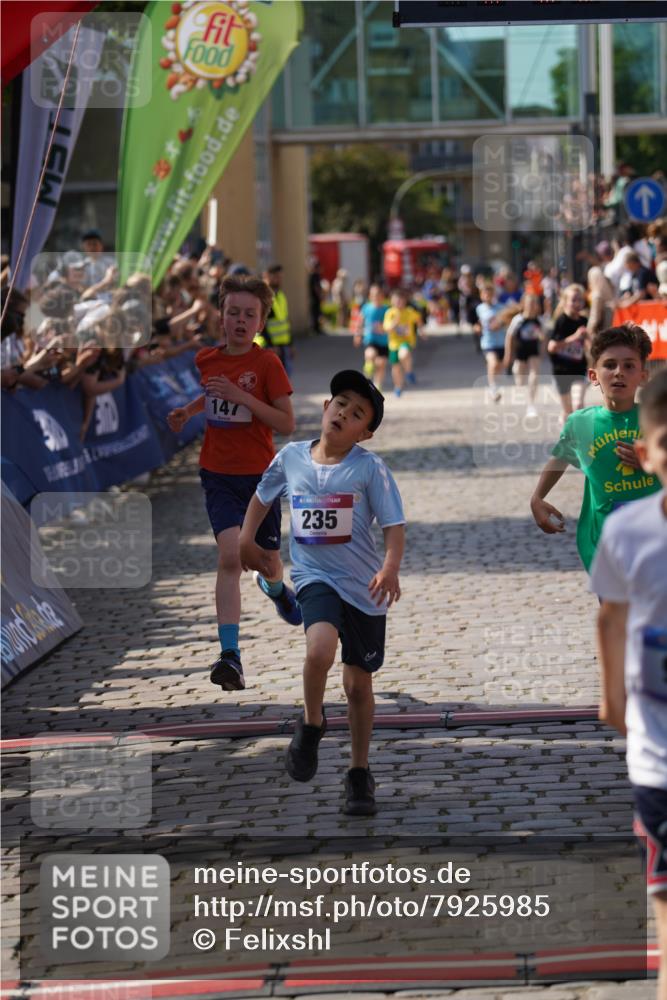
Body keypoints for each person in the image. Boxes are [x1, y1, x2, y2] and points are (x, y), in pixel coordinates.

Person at [239, 370, 405, 816]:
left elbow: (394, 526)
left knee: (357, 685)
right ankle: (311, 723)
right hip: (314, 576)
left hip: (363, 587)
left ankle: (358, 772)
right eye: (339, 404)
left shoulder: (370, 469)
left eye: (356, 414)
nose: (342, 414)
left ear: (365, 433)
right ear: (326, 406)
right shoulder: (292, 457)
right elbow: (262, 496)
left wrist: (389, 568)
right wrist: (246, 537)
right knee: (319, 650)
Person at [166, 274, 301, 692]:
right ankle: (230, 656)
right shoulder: (207, 358)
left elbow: (286, 422)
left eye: (250, 314)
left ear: (260, 322)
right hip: (218, 474)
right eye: (233, 313)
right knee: (229, 557)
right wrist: (189, 412)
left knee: (268, 562)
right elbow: (212, 394)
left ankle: (276, 588)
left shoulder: (267, 364)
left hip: (261, 479)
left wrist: (245, 398)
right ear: (221, 317)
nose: (241, 320)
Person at [589, 368, 667, 1000]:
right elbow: (611, 616)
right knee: (665, 893)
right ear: (646, 454)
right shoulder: (628, 531)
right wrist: (612, 698)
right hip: (657, 753)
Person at [530, 324, 661, 573]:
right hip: (603, 539)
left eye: (629, 366)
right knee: (617, 610)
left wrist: (650, 459)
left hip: (655, 535)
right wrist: (538, 497)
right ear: (593, 376)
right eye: (609, 365)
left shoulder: (656, 418)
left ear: (643, 376)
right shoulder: (581, 423)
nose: (618, 372)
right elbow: (560, 459)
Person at [547, 284, 590, 422]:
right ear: (565, 302)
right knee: (568, 411)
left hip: (578, 369)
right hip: (561, 371)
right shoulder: (561, 321)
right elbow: (552, 347)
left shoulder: (584, 321)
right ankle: (566, 432)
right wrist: (574, 337)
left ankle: (578, 440)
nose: (577, 303)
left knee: (578, 405)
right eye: (573, 300)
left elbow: (589, 345)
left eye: (580, 300)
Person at [503, 292, 545, 417]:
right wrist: (508, 355)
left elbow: (544, 337)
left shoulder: (539, 320)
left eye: (535, 304)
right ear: (524, 305)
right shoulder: (518, 320)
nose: (532, 306)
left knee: (534, 375)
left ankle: (531, 404)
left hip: (533, 351)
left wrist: (543, 350)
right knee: (519, 378)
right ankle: (523, 391)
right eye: (530, 304)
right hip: (520, 351)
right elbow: (509, 337)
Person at [383, 288, 423, 398]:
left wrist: (421, 330)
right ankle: (398, 386)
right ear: (391, 301)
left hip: (406, 341)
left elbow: (418, 318)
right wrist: (394, 323)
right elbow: (386, 329)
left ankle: (409, 372)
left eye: (400, 301)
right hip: (393, 344)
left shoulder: (409, 312)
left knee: (404, 354)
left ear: (405, 301)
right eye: (396, 301)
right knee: (395, 367)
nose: (398, 303)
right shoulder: (390, 313)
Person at [474, 283, 506, 402]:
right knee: (493, 363)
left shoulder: (501, 307)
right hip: (488, 342)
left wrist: (499, 325)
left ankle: (495, 383)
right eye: (485, 294)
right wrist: (477, 328)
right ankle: (493, 388)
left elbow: (506, 322)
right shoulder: (479, 308)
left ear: (493, 295)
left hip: (501, 341)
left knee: (499, 367)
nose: (487, 296)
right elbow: (478, 323)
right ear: (481, 295)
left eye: (489, 293)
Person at [260, 264, 294, 374]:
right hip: (268, 346)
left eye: (280, 277)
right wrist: (270, 345)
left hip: (282, 346)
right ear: (266, 276)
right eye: (276, 277)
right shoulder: (263, 296)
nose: (279, 280)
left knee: (283, 379)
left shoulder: (280, 295)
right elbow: (261, 323)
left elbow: (285, 322)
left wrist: (290, 344)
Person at [355, 284, 389, 390]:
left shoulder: (386, 309)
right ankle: (368, 368)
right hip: (371, 339)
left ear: (383, 296)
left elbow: (390, 324)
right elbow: (360, 322)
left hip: (384, 341)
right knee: (370, 354)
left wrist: (384, 328)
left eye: (379, 294)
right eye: (374, 295)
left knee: (381, 364)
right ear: (370, 296)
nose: (376, 297)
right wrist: (357, 335)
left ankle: (377, 386)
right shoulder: (366, 308)